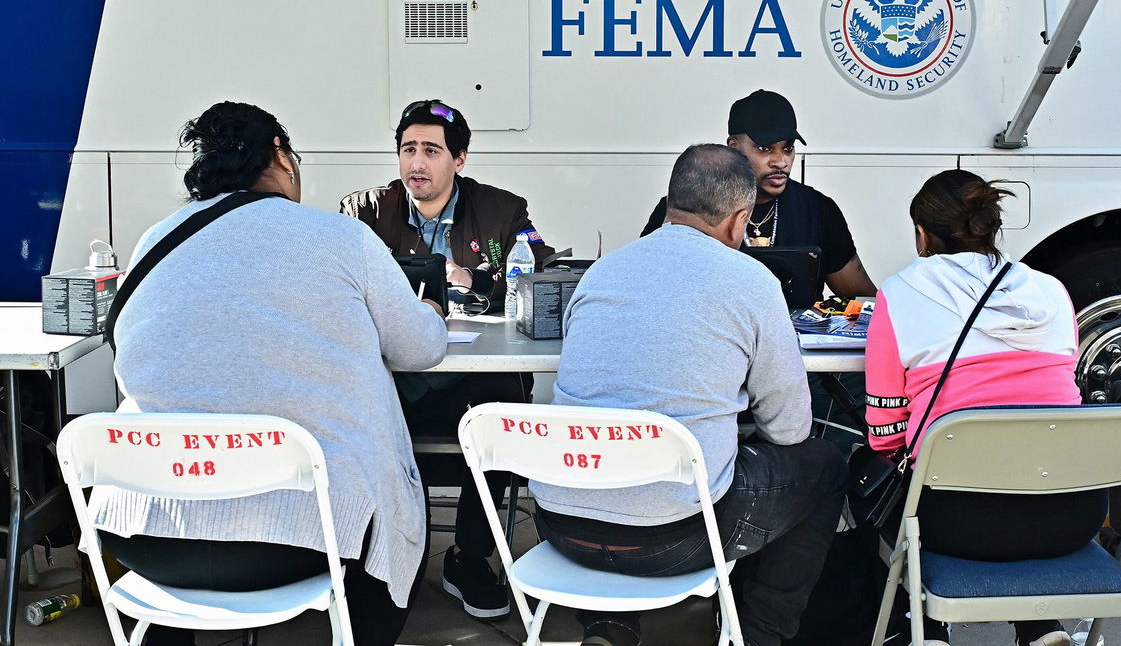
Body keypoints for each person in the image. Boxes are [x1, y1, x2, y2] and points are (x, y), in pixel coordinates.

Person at [93, 101, 448, 646]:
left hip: (145, 530)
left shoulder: (154, 240)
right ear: (281, 156)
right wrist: (433, 313)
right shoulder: (341, 237)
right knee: (401, 499)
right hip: (298, 539)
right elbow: (420, 348)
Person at [532, 144, 847, 646]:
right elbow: (790, 430)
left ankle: (608, 628)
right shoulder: (751, 281)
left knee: (629, 472)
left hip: (561, 526)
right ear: (738, 220)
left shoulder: (600, 274)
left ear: (670, 203)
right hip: (675, 539)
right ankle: (759, 635)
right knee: (825, 465)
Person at [339, 99, 556, 620]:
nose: (417, 162)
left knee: (505, 406)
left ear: (460, 158)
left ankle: (470, 555)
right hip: (394, 373)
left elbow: (543, 275)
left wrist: (475, 279)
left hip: (474, 375)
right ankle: (374, 552)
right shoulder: (362, 212)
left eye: (431, 150)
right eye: (408, 149)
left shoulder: (504, 210)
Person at [865, 169, 1100, 646]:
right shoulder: (1053, 292)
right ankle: (1040, 627)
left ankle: (923, 628)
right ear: (991, 227)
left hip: (958, 522)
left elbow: (885, 432)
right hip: (1072, 514)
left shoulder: (901, 292)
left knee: (865, 480)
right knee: (1024, 469)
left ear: (922, 235)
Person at [641, 89, 875, 300]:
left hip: (794, 346)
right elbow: (647, 284)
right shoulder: (686, 206)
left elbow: (862, 297)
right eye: (765, 148)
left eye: (788, 148)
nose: (780, 161)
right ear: (733, 146)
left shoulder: (817, 208)